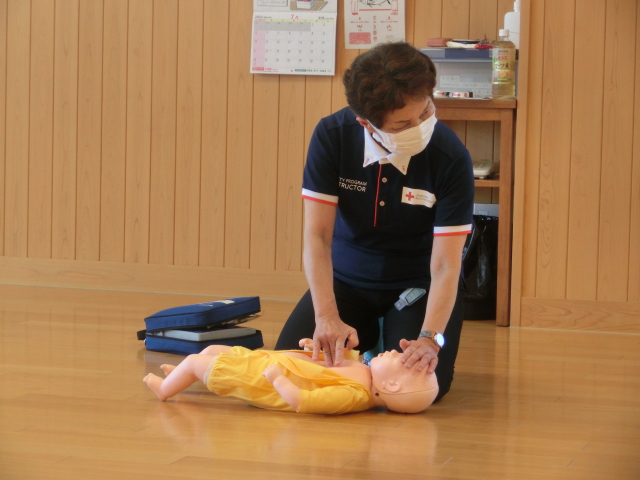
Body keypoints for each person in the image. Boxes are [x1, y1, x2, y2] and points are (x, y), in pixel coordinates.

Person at [274, 42, 474, 402]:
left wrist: (430, 339)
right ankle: (366, 359)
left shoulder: (450, 156)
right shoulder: (333, 137)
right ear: (366, 122)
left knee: (417, 390)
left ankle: (370, 357)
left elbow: (446, 264)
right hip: (347, 281)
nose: (420, 127)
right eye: (403, 123)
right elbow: (318, 237)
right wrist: (326, 316)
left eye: (425, 111)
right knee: (290, 366)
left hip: (417, 286)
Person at [143, 340, 439, 415]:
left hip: (260, 379)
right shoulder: (363, 367)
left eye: (400, 360)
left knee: (195, 362)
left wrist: (276, 379)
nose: (395, 351)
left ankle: (165, 389)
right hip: (269, 360)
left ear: (392, 385)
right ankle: (181, 376)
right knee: (212, 350)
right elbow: (329, 360)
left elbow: (302, 400)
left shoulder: (354, 395)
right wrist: (313, 348)